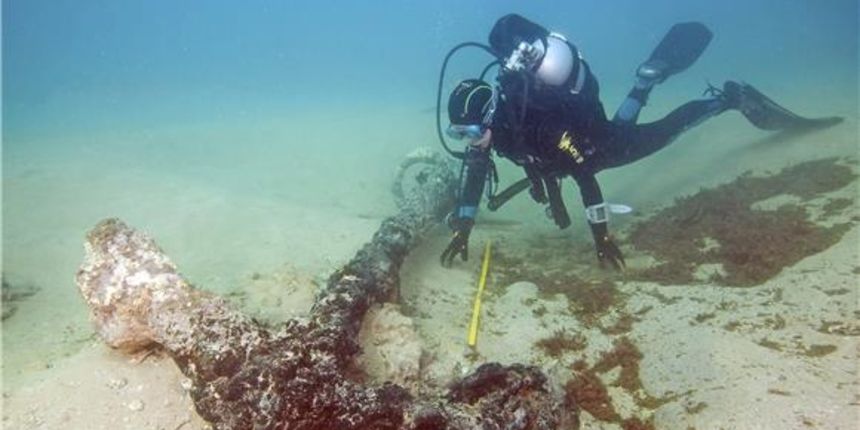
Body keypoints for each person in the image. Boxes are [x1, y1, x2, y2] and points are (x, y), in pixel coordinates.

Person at [439, 14, 841, 269]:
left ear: (488, 116)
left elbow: (585, 177)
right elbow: (476, 175)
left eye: (472, 132)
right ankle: (644, 81)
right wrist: (463, 228)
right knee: (617, 124)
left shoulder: (542, 131)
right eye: (463, 135)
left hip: (597, 149)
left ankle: (727, 99)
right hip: (587, 133)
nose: (471, 142)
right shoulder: (501, 127)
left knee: (663, 132)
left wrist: (603, 239)